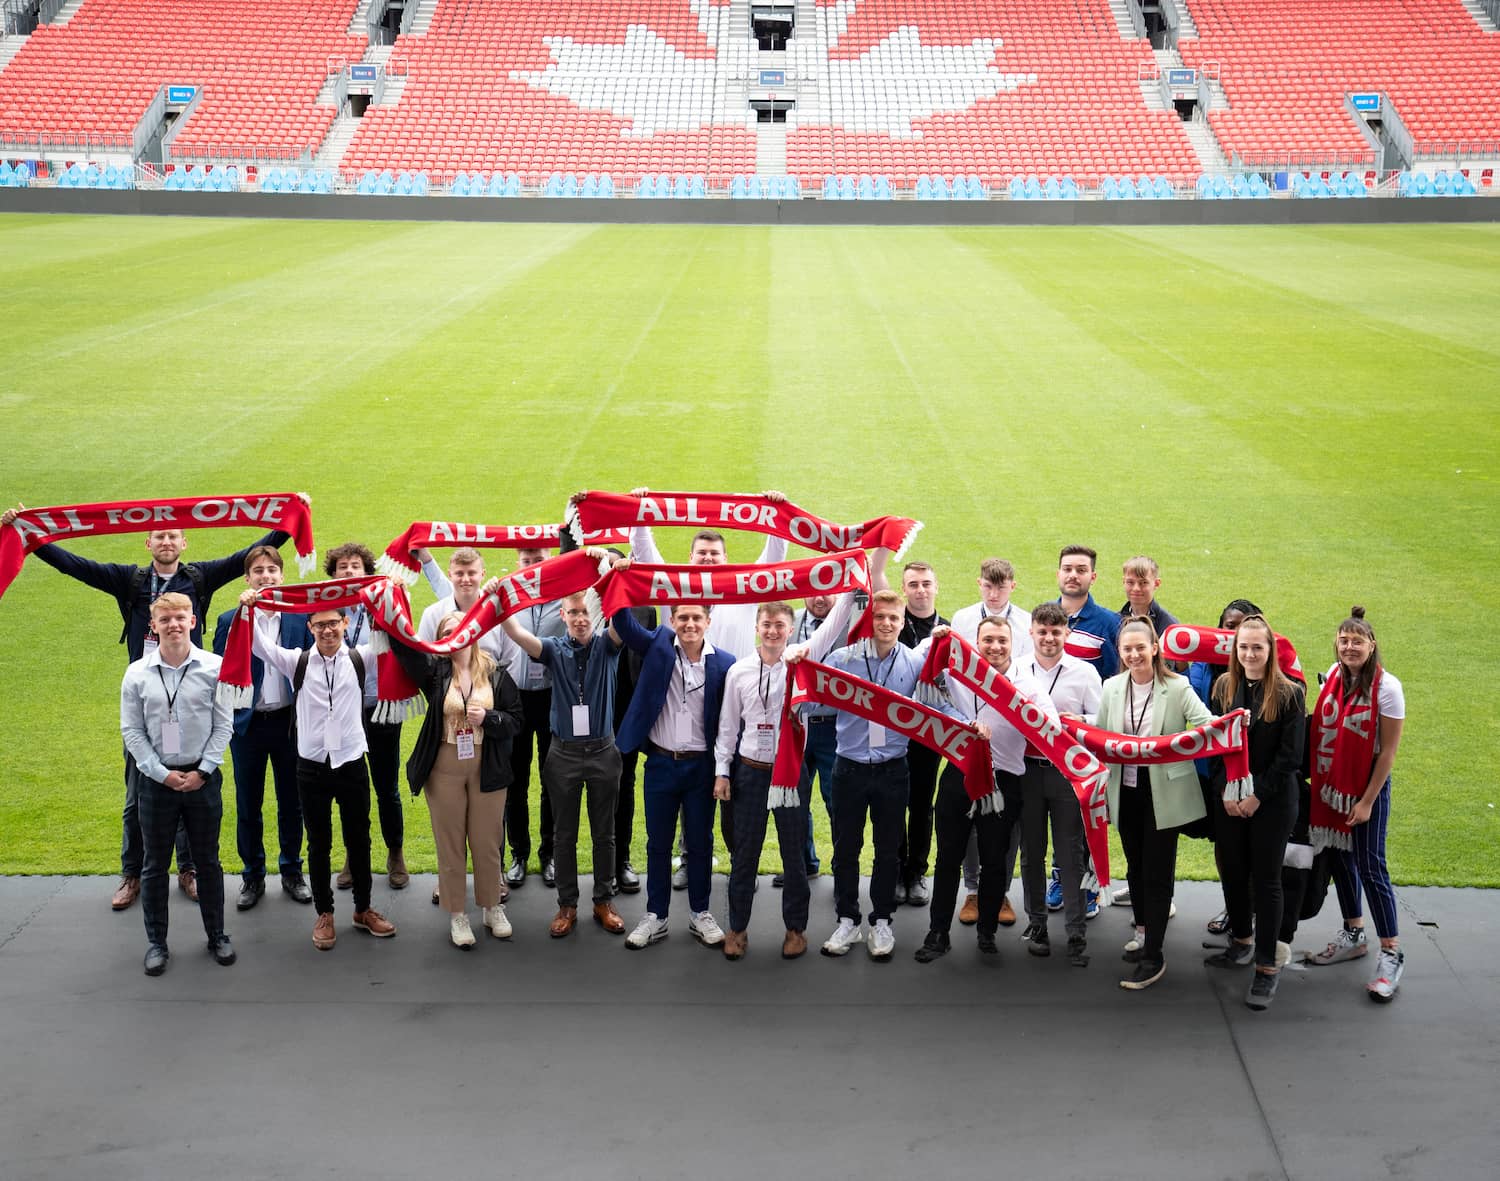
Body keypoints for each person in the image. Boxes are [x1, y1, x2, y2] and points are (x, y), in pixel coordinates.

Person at [2, 499, 302, 911]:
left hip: (192, 698)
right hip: (148, 698)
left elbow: (250, 556)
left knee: (192, 787)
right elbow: (77, 566)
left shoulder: (199, 576)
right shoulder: (130, 580)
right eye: (159, 536)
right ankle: (132, 873)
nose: (166, 542)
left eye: (172, 535)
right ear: (148, 542)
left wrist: (292, 516)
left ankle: (189, 870)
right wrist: (32, 535)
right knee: (138, 794)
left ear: (184, 541)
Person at [241, 587, 397, 950]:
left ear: (345, 623)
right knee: (319, 843)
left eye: (333, 623)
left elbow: (389, 633)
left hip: (352, 761)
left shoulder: (360, 657)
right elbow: (258, 645)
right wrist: (249, 608)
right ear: (310, 627)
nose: (327, 630)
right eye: (320, 625)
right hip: (311, 765)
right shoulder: (296, 661)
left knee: (359, 839)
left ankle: (362, 908)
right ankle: (324, 913)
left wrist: (389, 595)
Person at [800, 588, 945, 961]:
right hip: (848, 768)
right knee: (846, 849)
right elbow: (813, 702)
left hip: (892, 769)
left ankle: (881, 920)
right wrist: (797, 672)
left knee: (887, 851)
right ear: (870, 619)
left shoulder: (913, 663)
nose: (886, 624)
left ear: (902, 622)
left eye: (894, 618)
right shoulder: (843, 659)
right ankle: (847, 919)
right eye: (880, 617)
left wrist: (969, 724)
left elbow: (937, 705)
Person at [714, 592, 856, 959]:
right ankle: (737, 928)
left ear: (791, 629)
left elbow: (831, 628)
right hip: (750, 772)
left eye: (780, 625)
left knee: (794, 854)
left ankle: (795, 929)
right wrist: (722, 773)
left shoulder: (801, 662)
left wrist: (850, 589)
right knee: (744, 854)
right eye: (767, 625)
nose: (773, 631)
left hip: (790, 773)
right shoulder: (739, 671)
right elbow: (727, 727)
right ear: (756, 627)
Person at [916, 616, 1057, 963]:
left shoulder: (1026, 685)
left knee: (995, 861)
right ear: (976, 644)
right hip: (960, 775)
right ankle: (938, 933)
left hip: (1004, 782)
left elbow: (1051, 726)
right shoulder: (960, 674)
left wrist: (1027, 716)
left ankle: (987, 932)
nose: (995, 647)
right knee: (948, 857)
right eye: (987, 640)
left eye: (1001, 641)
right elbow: (923, 671)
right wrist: (936, 638)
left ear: (1013, 644)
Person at [391, 610, 524, 948]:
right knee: (450, 843)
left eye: (461, 628)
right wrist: (388, 605)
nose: (456, 635)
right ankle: (457, 914)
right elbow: (404, 648)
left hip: (487, 766)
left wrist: (489, 718)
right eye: (448, 632)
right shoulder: (435, 672)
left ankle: (492, 907)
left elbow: (516, 720)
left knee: (487, 841)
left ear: (473, 631)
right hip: (445, 766)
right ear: (441, 640)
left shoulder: (495, 672)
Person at [500, 584, 626, 938]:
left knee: (605, 834)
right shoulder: (554, 649)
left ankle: (603, 901)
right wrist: (500, 597)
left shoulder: (608, 644)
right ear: (563, 616)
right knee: (564, 835)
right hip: (564, 753)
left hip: (603, 751)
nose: (580, 619)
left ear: (595, 614)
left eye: (585, 612)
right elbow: (515, 632)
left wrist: (612, 575)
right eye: (573, 613)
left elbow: (624, 617)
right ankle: (567, 904)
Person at [120, 593, 236, 975]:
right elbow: (132, 731)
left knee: (208, 862)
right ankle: (157, 943)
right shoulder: (137, 673)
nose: (173, 624)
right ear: (153, 625)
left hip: (203, 779)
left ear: (193, 621)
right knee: (155, 864)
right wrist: (161, 773)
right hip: (156, 782)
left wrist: (203, 771)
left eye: (180, 617)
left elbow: (224, 725)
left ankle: (217, 935)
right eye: (165, 619)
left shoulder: (215, 667)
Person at [1098, 617, 1215, 990]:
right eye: (1127, 649)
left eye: (1140, 648)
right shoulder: (1112, 687)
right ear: (1120, 651)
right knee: (1135, 868)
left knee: (1157, 872)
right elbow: (1100, 735)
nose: (1134, 655)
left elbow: (1206, 724)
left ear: (1155, 648)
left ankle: (1154, 954)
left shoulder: (1177, 687)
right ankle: (1144, 932)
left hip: (1164, 793)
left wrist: (1232, 723)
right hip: (1126, 790)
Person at [612, 595, 735, 950]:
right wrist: (617, 581)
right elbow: (623, 622)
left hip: (701, 767)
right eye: (682, 617)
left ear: (708, 621)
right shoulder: (657, 646)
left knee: (700, 842)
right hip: (661, 763)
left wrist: (723, 769)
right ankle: (656, 915)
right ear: (671, 619)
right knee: (658, 843)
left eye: (696, 617)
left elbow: (728, 722)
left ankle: (700, 912)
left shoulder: (725, 663)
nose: (689, 624)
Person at [1303, 607, 1407, 1002]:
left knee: (1370, 865)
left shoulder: (1387, 688)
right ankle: (1354, 934)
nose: (1349, 647)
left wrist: (1366, 802)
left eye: (1357, 641)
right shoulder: (1334, 675)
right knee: (1339, 857)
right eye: (1344, 640)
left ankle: (1391, 953)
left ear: (1372, 645)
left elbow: (1388, 753)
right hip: (1333, 784)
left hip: (1367, 788)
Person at [415, 544, 526, 904]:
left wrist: (487, 694)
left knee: (490, 810)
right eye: (459, 573)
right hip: (450, 723)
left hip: (490, 711)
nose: (465, 579)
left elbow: (510, 659)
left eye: (471, 573)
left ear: (481, 574)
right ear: (450, 575)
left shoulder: (496, 610)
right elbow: (425, 660)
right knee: (449, 819)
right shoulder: (434, 614)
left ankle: (493, 879)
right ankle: (449, 883)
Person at [1205, 614, 1306, 1009]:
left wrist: (1256, 795)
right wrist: (1226, 792)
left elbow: (1290, 758)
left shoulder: (1290, 693)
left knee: (1266, 880)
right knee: (1232, 870)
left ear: (1270, 650)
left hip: (1273, 802)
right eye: (1243, 647)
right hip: (1230, 799)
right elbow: (1214, 747)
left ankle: (1266, 965)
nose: (1249, 654)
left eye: (1257, 647)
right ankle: (1241, 941)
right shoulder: (1223, 687)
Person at [212, 545, 314, 910]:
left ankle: (292, 871)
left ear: (282, 576)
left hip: (290, 725)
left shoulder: (301, 618)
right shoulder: (230, 620)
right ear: (247, 578)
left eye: (272, 570)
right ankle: (252, 875)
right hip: (248, 726)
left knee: (292, 802)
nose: (266, 576)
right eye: (258, 571)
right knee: (248, 804)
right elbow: (221, 674)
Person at [1018, 601, 1103, 965]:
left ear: (1067, 633)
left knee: (1070, 855)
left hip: (1066, 774)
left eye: (1056, 632)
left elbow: (1102, 720)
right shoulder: (1016, 669)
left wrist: (1081, 721)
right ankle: (1037, 925)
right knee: (1031, 853)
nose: (1049, 638)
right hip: (1026, 771)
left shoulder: (1084, 673)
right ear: (1031, 632)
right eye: (1042, 631)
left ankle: (1076, 934)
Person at [325, 543, 408, 892]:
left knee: (387, 788)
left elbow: (404, 628)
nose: (349, 571)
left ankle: (395, 852)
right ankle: (353, 854)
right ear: (332, 575)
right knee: (348, 787)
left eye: (355, 565)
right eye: (342, 566)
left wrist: (396, 589)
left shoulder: (382, 601)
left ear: (367, 571)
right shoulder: (325, 609)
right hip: (342, 711)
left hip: (380, 706)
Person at [1188, 599, 1260, 935]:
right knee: (1225, 844)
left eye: (1243, 626)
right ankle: (1236, 909)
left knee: (1251, 846)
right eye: (1230, 626)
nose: (1235, 633)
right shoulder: (1203, 665)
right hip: (1212, 772)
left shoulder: (1265, 669)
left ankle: (1250, 912)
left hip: (1252, 774)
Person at [895, 560, 948, 906]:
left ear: (936, 587)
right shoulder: (892, 624)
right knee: (893, 802)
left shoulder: (948, 630)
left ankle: (916, 872)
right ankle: (896, 870)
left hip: (929, 732)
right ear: (904, 589)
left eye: (926, 584)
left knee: (922, 804)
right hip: (893, 731)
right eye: (913, 584)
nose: (920, 590)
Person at [789, 591, 850, 885]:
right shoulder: (791, 622)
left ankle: (843, 866)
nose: (820, 599)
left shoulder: (850, 624)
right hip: (797, 724)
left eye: (827, 593)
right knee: (795, 800)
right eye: (813, 593)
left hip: (833, 726)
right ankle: (804, 864)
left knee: (836, 800)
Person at [1055, 545, 1120, 680]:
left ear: (1093, 577)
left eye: (1081, 570)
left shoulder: (1110, 624)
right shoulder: (1041, 617)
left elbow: (1115, 678)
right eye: (1067, 569)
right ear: (1058, 574)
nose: (1073, 575)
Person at [950, 558, 1032, 659]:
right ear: (979, 583)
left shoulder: (1027, 622)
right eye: (988, 586)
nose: (993, 595)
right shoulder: (961, 619)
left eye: (1001, 587)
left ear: (1012, 586)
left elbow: (1027, 662)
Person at [1118, 555, 1180, 632]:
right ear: (1124, 581)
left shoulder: (1169, 626)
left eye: (1143, 582)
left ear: (1156, 583)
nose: (1136, 588)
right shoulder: (1115, 621)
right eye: (1130, 582)